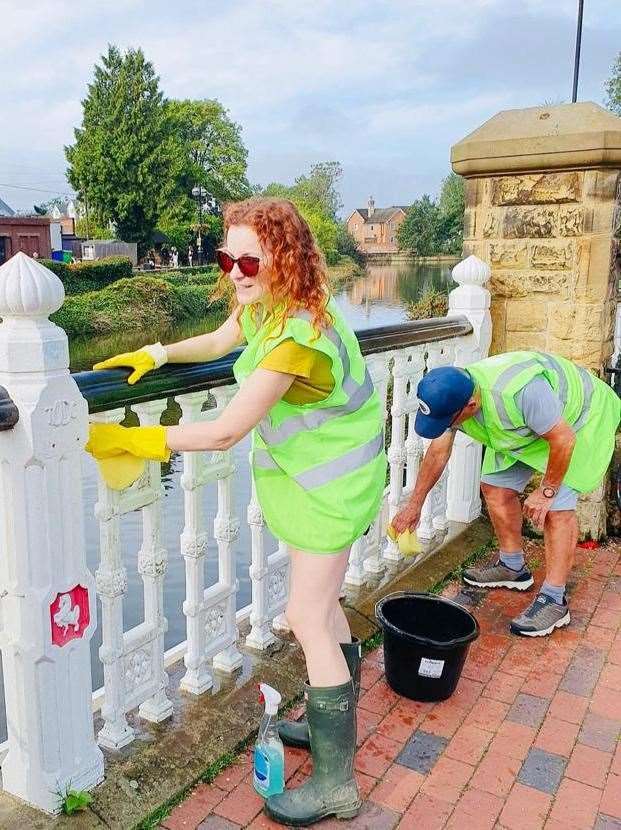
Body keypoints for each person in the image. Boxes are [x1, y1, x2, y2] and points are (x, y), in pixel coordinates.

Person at [86, 197, 386, 825]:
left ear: (286, 256)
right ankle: (333, 732)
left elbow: (224, 432)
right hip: (322, 480)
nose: (236, 271)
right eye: (227, 258)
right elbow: (224, 337)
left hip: (333, 488)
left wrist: (140, 441)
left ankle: (337, 784)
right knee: (323, 609)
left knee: (305, 615)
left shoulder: (297, 336)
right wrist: (160, 355)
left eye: (250, 258)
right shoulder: (270, 309)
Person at [392, 352, 620, 638]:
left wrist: (546, 491)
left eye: (448, 421)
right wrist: (414, 505)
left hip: (578, 421)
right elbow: (438, 451)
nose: (446, 426)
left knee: (557, 510)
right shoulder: (455, 393)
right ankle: (513, 567)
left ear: (471, 406)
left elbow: (563, 439)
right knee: (495, 488)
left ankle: (554, 599)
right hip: (526, 429)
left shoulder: (520, 393)